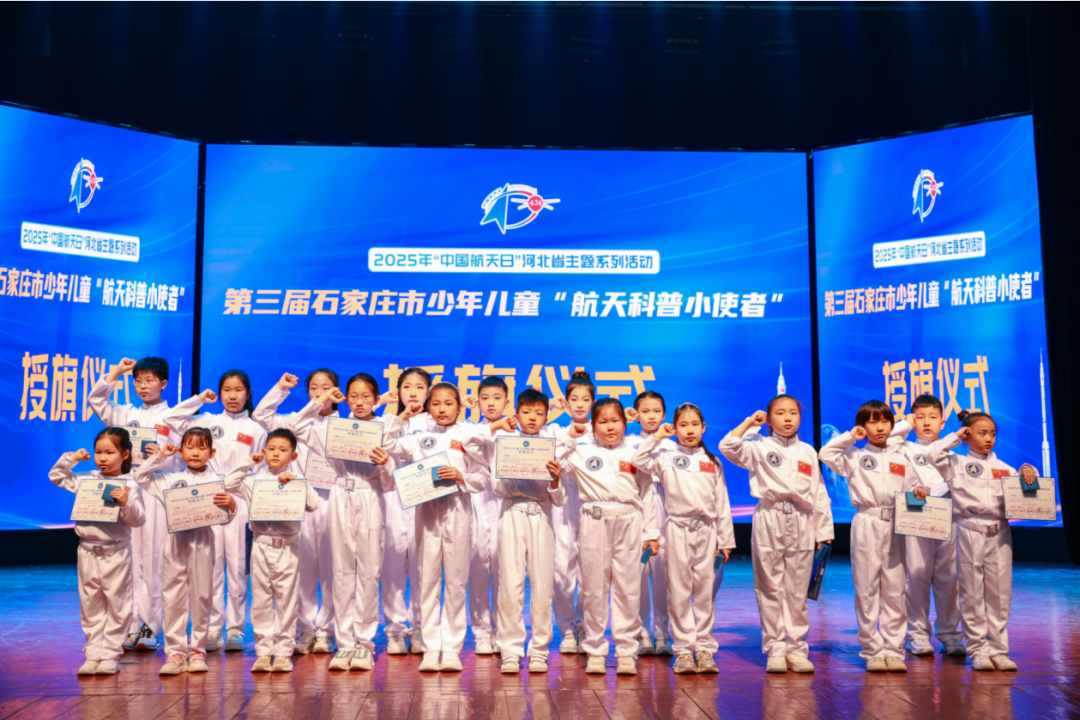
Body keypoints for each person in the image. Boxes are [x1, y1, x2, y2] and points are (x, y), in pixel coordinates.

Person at [382, 382, 505, 672]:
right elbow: (386, 444)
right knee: (427, 581)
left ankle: (451, 649)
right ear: (428, 407)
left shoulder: (467, 435)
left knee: (456, 581)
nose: (442, 409)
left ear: (459, 407)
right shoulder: (417, 437)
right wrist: (403, 416)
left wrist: (461, 477)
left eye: (448, 404)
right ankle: (430, 647)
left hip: (458, 509)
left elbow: (482, 478)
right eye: (435, 403)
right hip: (426, 511)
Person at [719, 395, 833, 674]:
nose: (788, 418)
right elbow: (727, 446)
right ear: (769, 419)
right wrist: (750, 423)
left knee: (797, 589)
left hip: (802, 518)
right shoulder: (759, 445)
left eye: (793, 412)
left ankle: (797, 648)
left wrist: (824, 531)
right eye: (780, 413)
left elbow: (819, 492)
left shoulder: (807, 451)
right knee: (770, 585)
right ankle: (775, 648)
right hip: (769, 516)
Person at [291, 379, 395, 672]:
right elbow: (296, 426)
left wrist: (386, 464)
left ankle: (364, 644)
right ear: (345, 399)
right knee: (341, 571)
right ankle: (345, 644)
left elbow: (390, 484)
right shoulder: (333, 429)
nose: (360, 402)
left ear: (376, 399)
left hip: (370, 495)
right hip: (339, 495)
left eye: (366, 397)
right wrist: (321, 398)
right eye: (353, 396)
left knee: (369, 572)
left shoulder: (384, 430)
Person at [163, 370, 267, 652]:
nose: (232, 396)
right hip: (206, 495)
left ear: (248, 393)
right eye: (227, 390)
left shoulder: (256, 429)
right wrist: (198, 399)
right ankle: (211, 627)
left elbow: (260, 468)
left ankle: (235, 628)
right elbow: (171, 419)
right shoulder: (207, 420)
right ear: (219, 394)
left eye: (238, 390)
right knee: (210, 565)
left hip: (238, 498)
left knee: (238, 565)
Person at [554, 398, 659, 676]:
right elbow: (551, 462)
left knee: (628, 588)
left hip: (629, 521)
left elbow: (647, 494)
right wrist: (569, 437)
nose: (610, 427)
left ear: (625, 423)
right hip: (594, 520)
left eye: (615, 421)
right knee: (593, 589)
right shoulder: (580, 450)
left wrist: (651, 533)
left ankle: (626, 652)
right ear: (593, 425)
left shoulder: (636, 451)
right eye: (603, 422)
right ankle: (595, 650)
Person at [929, 410, 1039, 672]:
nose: (989, 438)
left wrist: (1028, 471)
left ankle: (999, 650)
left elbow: (1026, 489)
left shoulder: (1004, 468)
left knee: (1000, 592)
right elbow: (934, 455)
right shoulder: (955, 462)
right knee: (972, 592)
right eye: (982, 433)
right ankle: (978, 649)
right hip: (970, 528)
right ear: (968, 435)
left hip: (999, 530)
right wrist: (956, 436)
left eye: (992, 434)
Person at [820, 400, 925, 673]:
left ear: (892, 424)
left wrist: (919, 493)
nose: (880, 427)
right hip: (867, 521)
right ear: (862, 427)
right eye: (873, 422)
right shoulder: (854, 456)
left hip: (896, 523)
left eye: (885, 421)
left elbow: (914, 488)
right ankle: (872, 650)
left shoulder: (901, 459)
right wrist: (849, 437)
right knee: (867, 588)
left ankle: (894, 649)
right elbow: (826, 453)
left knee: (895, 589)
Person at [633, 404, 735, 675]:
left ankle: (704, 648)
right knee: (678, 593)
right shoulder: (665, 456)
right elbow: (638, 460)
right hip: (677, 529)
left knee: (705, 593)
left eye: (695, 425)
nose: (690, 430)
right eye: (683, 425)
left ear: (703, 428)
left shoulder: (713, 462)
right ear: (675, 429)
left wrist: (725, 540)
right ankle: (683, 651)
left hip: (707, 532)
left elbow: (722, 503)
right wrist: (658, 436)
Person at [252, 369, 341, 655]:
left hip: (333, 500)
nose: (320, 393)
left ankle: (327, 630)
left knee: (331, 569)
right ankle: (305, 628)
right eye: (314, 388)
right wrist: (281, 387)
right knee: (301, 569)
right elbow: (261, 414)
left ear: (337, 391)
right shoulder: (295, 421)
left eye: (326, 388)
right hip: (296, 503)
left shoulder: (346, 425)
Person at [134, 429, 237, 675]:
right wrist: (160, 456)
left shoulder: (218, 480)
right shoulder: (169, 479)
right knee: (172, 596)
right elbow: (140, 476)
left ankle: (198, 650)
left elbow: (226, 517)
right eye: (189, 447)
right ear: (180, 451)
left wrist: (231, 506)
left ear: (212, 452)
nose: (195, 452)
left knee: (202, 595)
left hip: (203, 541)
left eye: (202, 447)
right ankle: (176, 653)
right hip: (175, 541)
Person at [88, 356, 172, 652]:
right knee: (127, 560)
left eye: (150, 380)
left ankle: (150, 626)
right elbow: (96, 400)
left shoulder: (173, 417)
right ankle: (127, 625)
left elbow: (181, 458)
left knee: (152, 560)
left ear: (164, 383)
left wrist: (162, 456)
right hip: (124, 491)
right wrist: (117, 372)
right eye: (137, 381)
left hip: (155, 493)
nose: (143, 386)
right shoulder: (125, 414)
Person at [49, 428, 145, 675]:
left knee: (118, 604)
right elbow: (57, 476)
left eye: (109, 452)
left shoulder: (130, 485)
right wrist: (71, 459)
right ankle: (92, 653)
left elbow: (139, 520)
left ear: (125, 454)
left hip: (116, 552)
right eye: (98, 452)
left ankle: (111, 653)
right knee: (90, 604)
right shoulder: (87, 479)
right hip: (87, 551)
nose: (102, 458)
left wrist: (125, 502)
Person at [224, 429, 320, 673]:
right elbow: (229, 483)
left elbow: (313, 504)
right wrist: (248, 462)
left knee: (286, 601)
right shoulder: (253, 480)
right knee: (261, 600)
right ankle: (264, 652)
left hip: (287, 547)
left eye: (283, 450)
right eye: (271, 449)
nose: (276, 453)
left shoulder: (298, 479)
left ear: (293, 456)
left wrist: (295, 481)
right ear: (264, 451)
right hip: (261, 545)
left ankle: (284, 652)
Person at [888, 395, 964, 657]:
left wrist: (939, 491)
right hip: (915, 517)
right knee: (916, 576)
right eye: (920, 417)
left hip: (948, 519)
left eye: (933, 417)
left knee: (949, 578)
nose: (926, 422)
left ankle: (950, 633)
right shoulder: (904, 449)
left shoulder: (952, 454)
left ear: (943, 423)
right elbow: (885, 442)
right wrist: (906, 424)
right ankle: (917, 634)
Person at [381, 367, 433, 655]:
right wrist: (400, 417)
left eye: (420, 387)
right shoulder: (388, 421)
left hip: (425, 499)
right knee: (392, 568)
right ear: (398, 392)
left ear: (428, 392)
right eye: (407, 387)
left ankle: (421, 628)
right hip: (393, 498)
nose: (413, 392)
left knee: (423, 568)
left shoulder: (433, 422)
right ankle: (395, 630)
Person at [625, 390, 674, 656]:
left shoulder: (673, 445)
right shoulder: (630, 442)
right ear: (636, 415)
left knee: (664, 575)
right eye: (645, 411)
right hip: (638, 509)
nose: (651, 416)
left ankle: (663, 634)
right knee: (639, 575)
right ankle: (642, 632)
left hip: (667, 510)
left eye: (656, 411)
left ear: (664, 414)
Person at [466, 375, 509, 656]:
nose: (491, 403)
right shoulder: (470, 431)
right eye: (485, 398)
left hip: (506, 503)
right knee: (479, 567)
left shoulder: (515, 433)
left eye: (497, 398)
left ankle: (504, 631)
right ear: (478, 402)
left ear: (507, 401)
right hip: (478, 502)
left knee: (505, 569)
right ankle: (482, 632)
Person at [552, 370, 594, 654]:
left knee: (590, 569)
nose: (579, 404)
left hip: (593, 504)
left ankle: (586, 626)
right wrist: (568, 437)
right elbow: (548, 462)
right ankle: (567, 628)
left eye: (585, 399)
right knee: (562, 568)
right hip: (563, 503)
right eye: (574, 399)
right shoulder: (556, 431)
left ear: (593, 402)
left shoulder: (602, 430)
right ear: (566, 403)